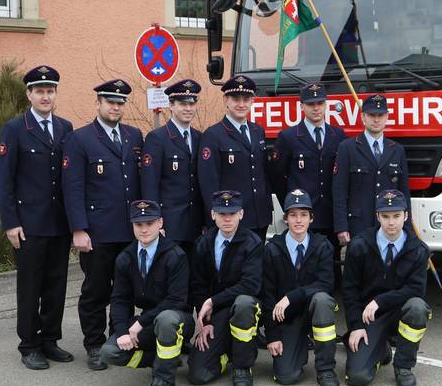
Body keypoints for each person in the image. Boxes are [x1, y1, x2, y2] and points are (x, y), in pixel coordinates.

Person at [0, 65, 74, 370]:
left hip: (59, 223)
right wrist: (10, 222)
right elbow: (5, 180)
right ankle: (29, 345)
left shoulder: (65, 127)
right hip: (28, 224)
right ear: (29, 94)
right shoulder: (15, 129)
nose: (45, 96)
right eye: (40, 91)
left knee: (56, 285)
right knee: (30, 287)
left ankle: (50, 340)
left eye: (50, 91)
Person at [62, 79, 143, 370]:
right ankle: (94, 343)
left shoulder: (134, 136)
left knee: (125, 289)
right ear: (98, 103)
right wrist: (78, 229)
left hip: (130, 230)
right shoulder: (80, 139)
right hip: (97, 232)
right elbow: (72, 188)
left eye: (120, 103)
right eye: (110, 102)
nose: (115, 107)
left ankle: (118, 338)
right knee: (96, 290)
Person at [99, 200, 194, 386]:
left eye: (149, 223)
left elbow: (176, 300)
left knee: (166, 319)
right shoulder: (125, 258)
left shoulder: (176, 255)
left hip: (177, 319)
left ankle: (163, 380)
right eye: (139, 224)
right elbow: (119, 299)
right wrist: (123, 331)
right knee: (109, 352)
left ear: (160, 223)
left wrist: (139, 323)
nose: (144, 229)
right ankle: (160, 358)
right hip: (148, 321)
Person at [343, 190, 431, 386]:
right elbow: (349, 290)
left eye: (396, 216)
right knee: (357, 377)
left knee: (417, 307)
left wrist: (380, 301)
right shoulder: (359, 245)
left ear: (406, 216)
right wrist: (356, 325)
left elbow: (416, 290)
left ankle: (403, 367)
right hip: (369, 317)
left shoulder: (418, 249)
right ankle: (380, 350)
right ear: (377, 216)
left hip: (399, 312)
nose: (391, 222)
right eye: (385, 216)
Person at [261, 189, 339, 386]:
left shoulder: (323, 246)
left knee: (323, 300)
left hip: (314, 311)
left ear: (311, 218)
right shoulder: (272, 249)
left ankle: (326, 369)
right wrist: (272, 335)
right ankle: (298, 344)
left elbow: (326, 284)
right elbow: (267, 296)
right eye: (293, 215)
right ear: (285, 219)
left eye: (303, 215)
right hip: (288, 319)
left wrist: (291, 296)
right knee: (286, 376)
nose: (298, 220)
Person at [188, 190, 263, 386]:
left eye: (232, 213)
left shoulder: (253, 243)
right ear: (213, 215)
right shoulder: (203, 243)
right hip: (218, 313)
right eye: (222, 213)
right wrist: (205, 323)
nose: (227, 218)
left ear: (241, 214)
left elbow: (251, 285)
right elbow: (198, 285)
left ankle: (242, 367)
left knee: (244, 303)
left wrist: (212, 301)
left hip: (244, 310)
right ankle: (229, 352)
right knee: (198, 374)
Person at [271, 84, 347, 284]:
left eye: (320, 103)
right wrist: (291, 205)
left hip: (329, 213)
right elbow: (277, 176)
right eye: (311, 104)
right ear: (302, 106)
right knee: (302, 265)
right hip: (302, 214)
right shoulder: (288, 137)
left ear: (326, 105)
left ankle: (331, 297)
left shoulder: (338, 135)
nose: (316, 108)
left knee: (330, 264)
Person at [197, 75, 272, 242]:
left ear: (252, 102)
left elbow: (263, 172)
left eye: (246, 99)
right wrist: (215, 216)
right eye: (236, 99)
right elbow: (209, 182)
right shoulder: (213, 135)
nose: (241, 104)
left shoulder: (258, 131)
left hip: (260, 215)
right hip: (230, 218)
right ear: (226, 101)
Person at [332, 94, 411, 245]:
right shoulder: (347, 148)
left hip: (389, 227)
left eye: (380, 115)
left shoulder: (397, 150)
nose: (376, 120)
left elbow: (404, 192)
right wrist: (341, 227)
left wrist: (407, 227)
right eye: (371, 115)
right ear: (363, 117)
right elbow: (339, 191)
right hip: (358, 225)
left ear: (387, 117)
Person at [140, 79, 204, 254]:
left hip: (196, 224)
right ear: (171, 105)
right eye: (183, 104)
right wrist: (154, 221)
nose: (188, 108)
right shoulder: (157, 138)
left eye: (192, 104)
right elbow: (150, 184)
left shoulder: (199, 137)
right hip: (170, 224)